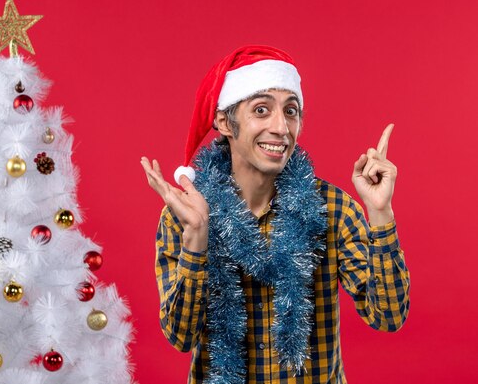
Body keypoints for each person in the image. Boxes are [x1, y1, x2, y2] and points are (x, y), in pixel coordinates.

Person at [140, 45, 410, 384]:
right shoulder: (184, 215)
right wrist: (197, 239)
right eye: (262, 110)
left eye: (291, 111)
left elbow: (389, 316)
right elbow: (180, 337)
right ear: (224, 121)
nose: (281, 127)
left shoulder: (333, 209)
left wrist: (380, 211)